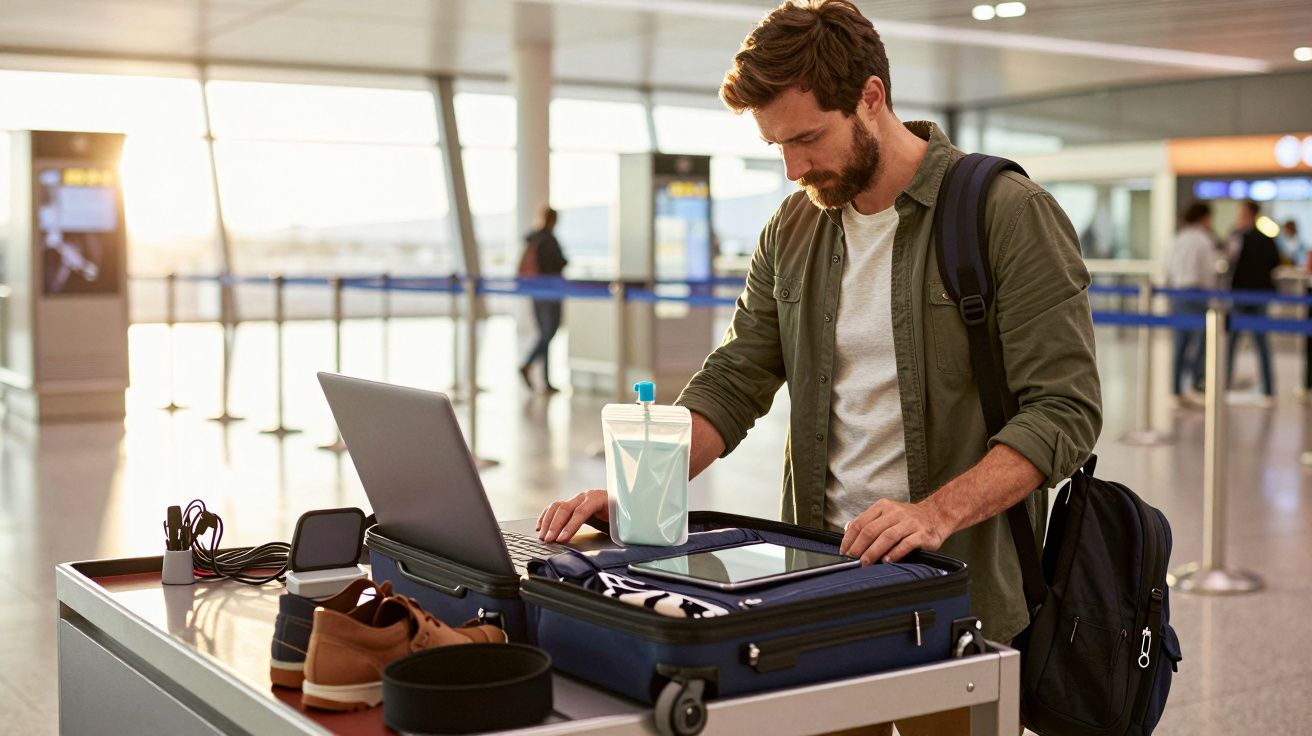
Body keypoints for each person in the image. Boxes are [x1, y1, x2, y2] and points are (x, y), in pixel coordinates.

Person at [537, 1, 1101, 732]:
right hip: (818, 591)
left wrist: (933, 514)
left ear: (871, 97)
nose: (794, 166)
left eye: (807, 138)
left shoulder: (1005, 211)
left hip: (954, 599)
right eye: (778, 145)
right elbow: (738, 375)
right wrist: (646, 482)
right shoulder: (795, 226)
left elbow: (1065, 410)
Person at [1226, 200, 1280, 404]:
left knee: (1237, 342)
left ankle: (1224, 385)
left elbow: (1231, 261)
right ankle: (1267, 390)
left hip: (1243, 294)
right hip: (1258, 294)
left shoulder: (1239, 237)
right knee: (1256, 342)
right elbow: (1275, 262)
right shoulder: (1266, 239)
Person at [1164, 201, 1218, 404]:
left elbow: (1168, 267)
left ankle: (1176, 389)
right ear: (1204, 218)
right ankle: (1196, 383)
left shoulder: (1178, 238)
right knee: (1202, 342)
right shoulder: (1204, 240)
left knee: (1180, 343)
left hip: (1178, 292)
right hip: (1197, 293)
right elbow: (1208, 271)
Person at [518, 206, 568, 393]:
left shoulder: (534, 239)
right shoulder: (549, 240)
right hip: (550, 292)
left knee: (544, 334)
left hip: (537, 292)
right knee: (548, 334)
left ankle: (545, 380)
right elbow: (560, 262)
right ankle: (528, 365)